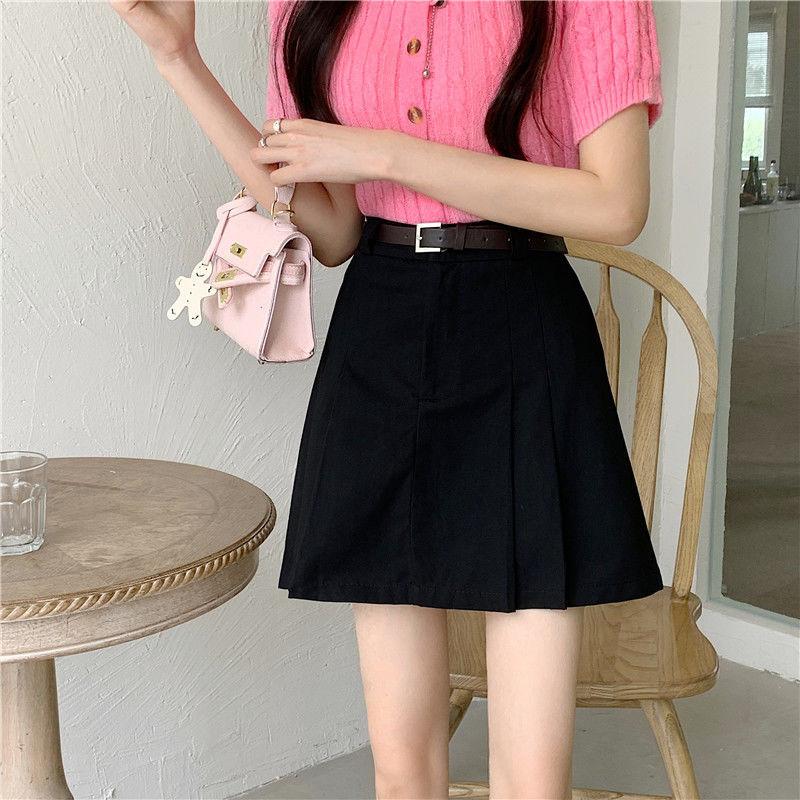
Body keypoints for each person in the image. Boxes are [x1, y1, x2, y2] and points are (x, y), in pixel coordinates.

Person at [111, 1, 665, 798]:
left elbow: (616, 206)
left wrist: (386, 154)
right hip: (382, 333)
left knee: (533, 780)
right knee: (401, 772)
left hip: (523, 330)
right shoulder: (306, 5)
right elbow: (334, 230)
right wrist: (178, 60)